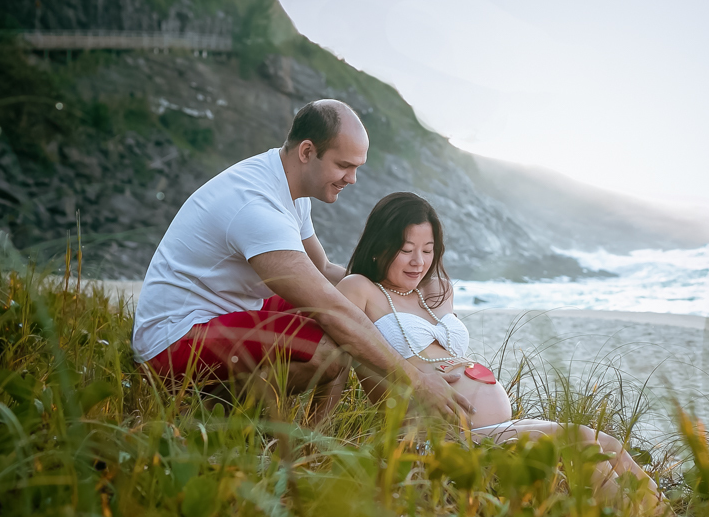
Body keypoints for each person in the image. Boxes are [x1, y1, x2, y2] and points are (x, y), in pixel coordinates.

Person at [132, 100, 473, 424]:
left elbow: (324, 271)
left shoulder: (288, 186)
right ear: (307, 151)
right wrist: (415, 380)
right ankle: (203, 412)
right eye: (344, 166)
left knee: (344, 312)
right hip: (173, 340)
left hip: (225, 313)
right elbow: (331, 308)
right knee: (327, 347)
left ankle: (314, 436)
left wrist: (398, 290)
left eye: (357, 167)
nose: (352, 179)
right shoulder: (257, 206)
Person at [337, 192, 659, 500]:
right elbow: (340, 352)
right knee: (578, 440)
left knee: (605, 440)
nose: (418, 262)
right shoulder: (360, 289)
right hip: (435, 438)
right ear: (380, 245)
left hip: (493, 425)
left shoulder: (437, 290)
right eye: (406, 249)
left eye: (428, 249)